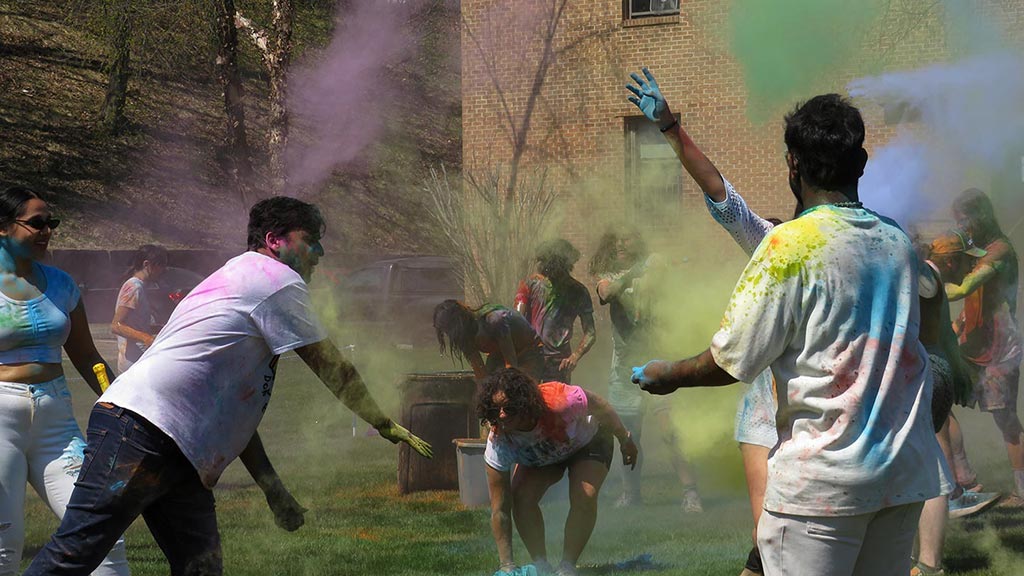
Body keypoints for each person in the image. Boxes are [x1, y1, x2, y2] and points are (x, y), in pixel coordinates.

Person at [627, 68, 949, 576]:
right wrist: (671, 128)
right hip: (898, 476)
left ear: (791, 165)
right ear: (861, 162)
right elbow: (723, 198)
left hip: (822, 484)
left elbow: (731, 360)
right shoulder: (897, 243)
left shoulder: (787, 248)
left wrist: (670, 374)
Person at [24, 196, 432, 576]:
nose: (320, 253)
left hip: (176, 444)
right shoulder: (275, 279)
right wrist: (381, 422)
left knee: (200, 567)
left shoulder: (243, 278)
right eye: (312, 241)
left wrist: (273, 490)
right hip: (141, 430)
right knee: (75, 553)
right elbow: (331, 366)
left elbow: (229, 413)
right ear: (274, 241)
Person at [0, 186, 129, 576]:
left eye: (51, 223)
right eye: (36, 223)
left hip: (57, 422)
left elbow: (89, 358)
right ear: (3, 228)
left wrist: (124, 403)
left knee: (102, 534)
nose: (47, 231)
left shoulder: (61, 284)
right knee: (4, 545)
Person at [482, 368, 637, 576]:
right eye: (494, 410)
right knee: (522, 498)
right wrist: (506, 566)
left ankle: (567, 566)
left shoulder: (560, 400)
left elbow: (599, 404)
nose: (501, 416)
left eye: (508, 408)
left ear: (524, 404)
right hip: (545, 456)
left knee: (585, 495)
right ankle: (542, 566)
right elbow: (499, 509)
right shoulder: (499, 441)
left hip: (588, 441)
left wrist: (624, 438)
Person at [588, 230, 703, 513]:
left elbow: (669, 279)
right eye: (616, 243)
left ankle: (690, 493)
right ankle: (631, 494)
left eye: (626, 241)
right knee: (629, 435)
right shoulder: (606, 275)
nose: (621, 246)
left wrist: (655, 266)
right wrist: (634, 272)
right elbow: (607, 292)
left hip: (658, 362)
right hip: (624, 368)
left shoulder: (653, 264)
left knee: (670, 432)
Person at [944, 188, 1024, 506]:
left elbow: (966, 287)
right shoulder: (979, 250)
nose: (962, 227)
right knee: (939, 402)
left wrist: (927, 280)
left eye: (965, 220)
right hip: (974, 343)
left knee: (1006, 421)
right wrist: (958, 324)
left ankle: (1021, 493)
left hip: (1001, 349)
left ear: (980, 217)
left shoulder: (1000, 251)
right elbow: (976, 300)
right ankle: (965, 480)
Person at [514, 238, 596, 383]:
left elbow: (590, 333)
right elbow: (516, 320)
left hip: (559, 365)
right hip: (530, 360)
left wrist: (575, 357)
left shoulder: (578, 291)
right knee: (530, 402)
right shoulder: (530, 284)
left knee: (557, 404)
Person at [434, 299, 545, 381]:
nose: (448, 335)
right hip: (498, 356)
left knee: (521, 391)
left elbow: (511, 366)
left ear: (458, 323)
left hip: (529, 352)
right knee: (489, 391)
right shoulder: (463, 337)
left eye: (448, 330)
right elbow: (480, 373)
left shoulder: (494, 321)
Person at [111, 244, 168, 373]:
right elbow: (116, 325)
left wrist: (160, 329)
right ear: (147, 264)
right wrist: (146, 338)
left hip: (138, 359)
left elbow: (136, 325)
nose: (163, 270)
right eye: (161, 265)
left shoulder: (140, 287)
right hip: (132, 362)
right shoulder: (133, 287)